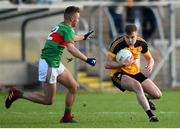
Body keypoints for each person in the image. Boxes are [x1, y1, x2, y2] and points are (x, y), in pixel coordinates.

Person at [5, 6, 96, 123]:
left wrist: (84, 37)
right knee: (48, 100)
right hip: (49, 64)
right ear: (73, 18)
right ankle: (17, 93)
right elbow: (71, 49)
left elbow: (71, 38)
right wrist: (87, 59)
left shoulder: (62, 26)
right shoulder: (67, 29)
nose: (78, 21)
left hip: (55, 63)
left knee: (74, 87)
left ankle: (67, 117)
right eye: (77, 18)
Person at [105, 24, 162, 122]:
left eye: (132, 37)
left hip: (135, 72)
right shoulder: (117, 44)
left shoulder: (141, 43)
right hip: (118, 73)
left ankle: (146, 99)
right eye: (127, 37)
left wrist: (150, 64)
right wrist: (122, 65)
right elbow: (108, 64)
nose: (130, 40)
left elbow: (150, 59)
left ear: (137, 35)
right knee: (137, 86)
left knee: (157, 95)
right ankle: (151, 116)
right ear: (124, 36)